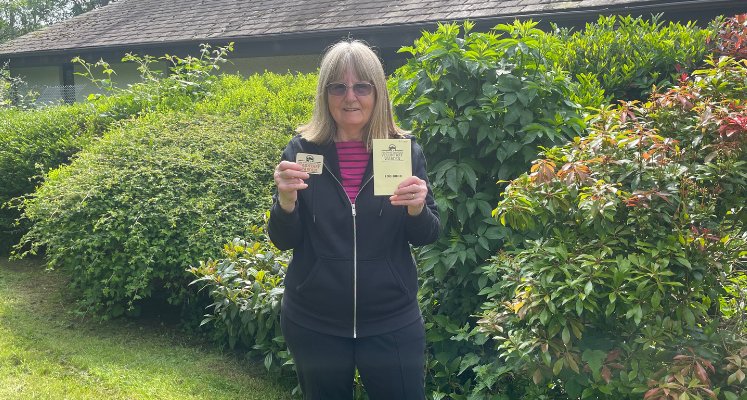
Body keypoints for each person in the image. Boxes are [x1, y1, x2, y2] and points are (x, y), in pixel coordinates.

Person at [267, 40, 441, 400]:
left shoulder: (403, 151)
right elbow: (284, 240)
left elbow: (426, 234)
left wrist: (416, 208)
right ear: (324, 93)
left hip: (392, 319)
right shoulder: (302, 152)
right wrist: (285, 202)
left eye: (362, 86)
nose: (350, 97)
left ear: (377, 92)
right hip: (315, 322)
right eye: (339, 87)